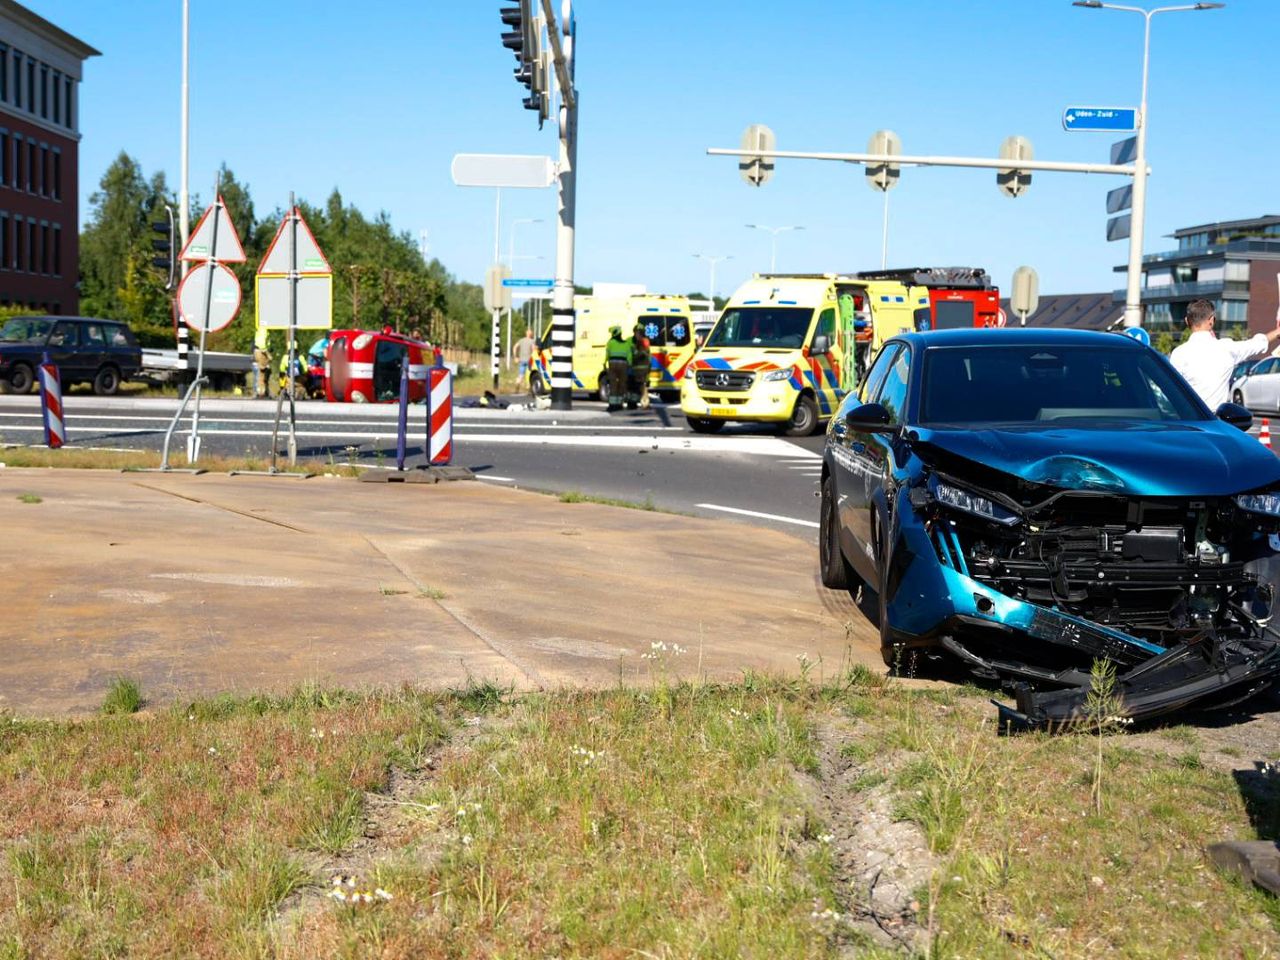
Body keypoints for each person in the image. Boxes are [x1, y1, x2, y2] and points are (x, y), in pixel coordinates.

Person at [1170, 299, 1280, 410]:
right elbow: (1256, 344)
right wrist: (1277, 332)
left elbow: (1171, 389)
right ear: (1212, 321)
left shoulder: (1178, 354)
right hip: (1216, 421)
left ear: (1187, 321)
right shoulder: (1226, 348)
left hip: (1187, 420)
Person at [604, 325, 631, 412]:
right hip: (623, 365)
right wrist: (630, 365)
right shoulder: (626, 344)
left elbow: (607, 355)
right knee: (622, 384)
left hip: (613, 364)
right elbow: (629, 356)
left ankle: (612, 405)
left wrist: (605, 363)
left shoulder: (610, 342)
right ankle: (619, 404)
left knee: (613, 384)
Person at [628, 320, 651, 410]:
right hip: (635, 368)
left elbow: (648, 355)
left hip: (639, 369)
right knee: (634, 387)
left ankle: (641, 403)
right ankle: (634, 402)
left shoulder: (644, 341)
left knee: (641, 386)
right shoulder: (631, 341)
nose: (638, 334)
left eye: (640, 332)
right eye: (637, 332)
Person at [252, 326, 271, 399]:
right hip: (262, 352)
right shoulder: (264, 330)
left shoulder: (260, 329)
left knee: (260, 372)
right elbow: (262, 345)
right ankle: (261, 393)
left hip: (258, 351)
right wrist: (268, 354)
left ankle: (261, 392)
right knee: (262, 374)